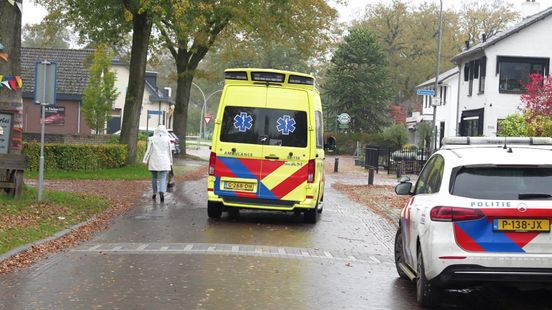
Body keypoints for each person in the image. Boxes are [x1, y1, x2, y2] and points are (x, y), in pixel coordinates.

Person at [143, 125, 173, 202]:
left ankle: (154, 192)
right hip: (164, 161)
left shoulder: (152, 139)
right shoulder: (167, 139)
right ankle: (162, 192)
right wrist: (171, 162)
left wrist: (145, 160)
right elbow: (169, 152)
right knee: (163, 177)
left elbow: (149, 150)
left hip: (154, 160)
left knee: (154, 177)